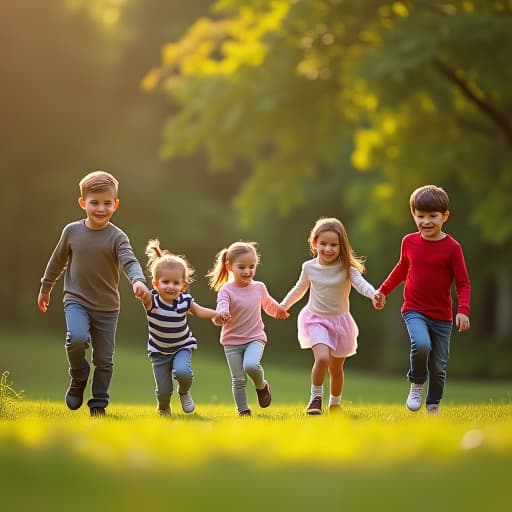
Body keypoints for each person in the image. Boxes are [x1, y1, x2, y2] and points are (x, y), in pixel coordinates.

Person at [37, 170, 152, 416]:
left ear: (116, 205)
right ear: (82, 203)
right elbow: (57, 261)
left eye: (107, 203)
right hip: (76, 299)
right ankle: (78, 376)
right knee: (76, 338)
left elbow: (129, 261)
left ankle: (98, 404)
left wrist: (139, 281)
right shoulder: (71, 231)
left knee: (105, 360)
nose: (101, 208)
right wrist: (46, 287)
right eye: (94, 203)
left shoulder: (117, 237)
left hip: (107, 308)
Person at [376, 185, 471, 416]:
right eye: (420, 216)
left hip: (442, 316)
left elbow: (463, 283)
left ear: (444, 216)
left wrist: (463, 310)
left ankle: (433, 406)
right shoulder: (409, 242)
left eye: (432, 216)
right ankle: (417, 383)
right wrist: (383, 291)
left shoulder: (452, 248)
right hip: (414, 309)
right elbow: (401, 269)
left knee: (438, 367)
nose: (426, 221)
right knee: (421, 344)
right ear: (414, 215)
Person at [280, 217, 384, 415]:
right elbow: (298, 289)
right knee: (322, 359)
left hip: (340, 322)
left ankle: (335, 403)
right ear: (314, 243)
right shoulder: (308, 267)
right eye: (323, 244)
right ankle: (315, 399)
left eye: (334, 245)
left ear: (341, 245)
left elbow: (361, 284)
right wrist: (283, 306)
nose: (328, 249)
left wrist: (374, 294)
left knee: (336, 370)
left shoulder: (347, 269)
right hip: (315, 319)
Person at [142, 239, 228, 416]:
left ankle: (183, 391)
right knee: (163, 391)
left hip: (182, 346)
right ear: (155, 284)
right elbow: (144, 296)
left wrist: (216, 314)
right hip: (158, 352)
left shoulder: (184, 301)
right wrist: (140, 291)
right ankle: (164, 407)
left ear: (183, 285)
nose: (171, 286)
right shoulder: (152, 301)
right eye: (165, 282)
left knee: (183, 373)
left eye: (175, 283)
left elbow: (199, 311)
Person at [207, 241, 289, 416]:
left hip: (255, 337)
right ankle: (243, 411)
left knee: (251, 365)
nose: (247, 271)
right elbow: (221, 308)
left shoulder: (259, 287)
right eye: (241, 267)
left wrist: (280, 310)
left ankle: (262, 386)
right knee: (238, 379)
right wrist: (221, 314)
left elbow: (269, 305)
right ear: (229, 266)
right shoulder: (226, 291)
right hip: (231, 342)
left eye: (252, 267)